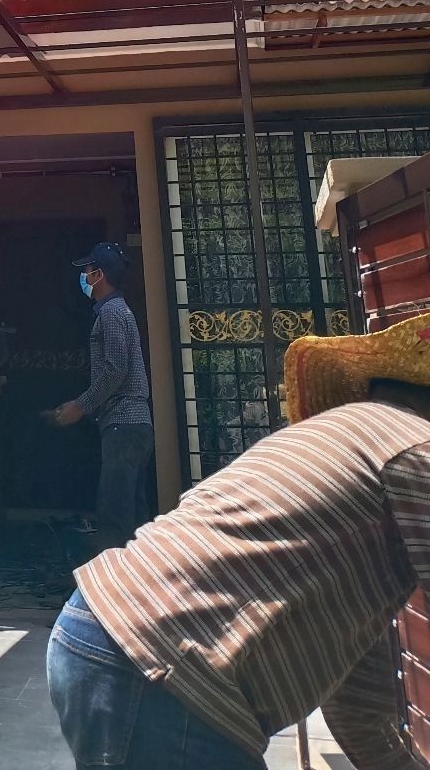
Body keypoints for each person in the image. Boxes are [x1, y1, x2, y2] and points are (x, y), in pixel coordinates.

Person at [48, 314, 430, 770]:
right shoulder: (416, 449)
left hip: (96, 628)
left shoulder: (347, 443)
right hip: (161, 666)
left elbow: (358, 706)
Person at [42, 240, 153, 552]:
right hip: (133, 425)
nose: (84, 276)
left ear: (99, 275)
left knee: (115, 513)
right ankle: (141, 571)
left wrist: (81, 406)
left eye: (88, 271)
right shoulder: (117, 311)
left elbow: (115, 370)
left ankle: (115, 575)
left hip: (123, 424)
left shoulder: (112, 313)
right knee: (133, 512)